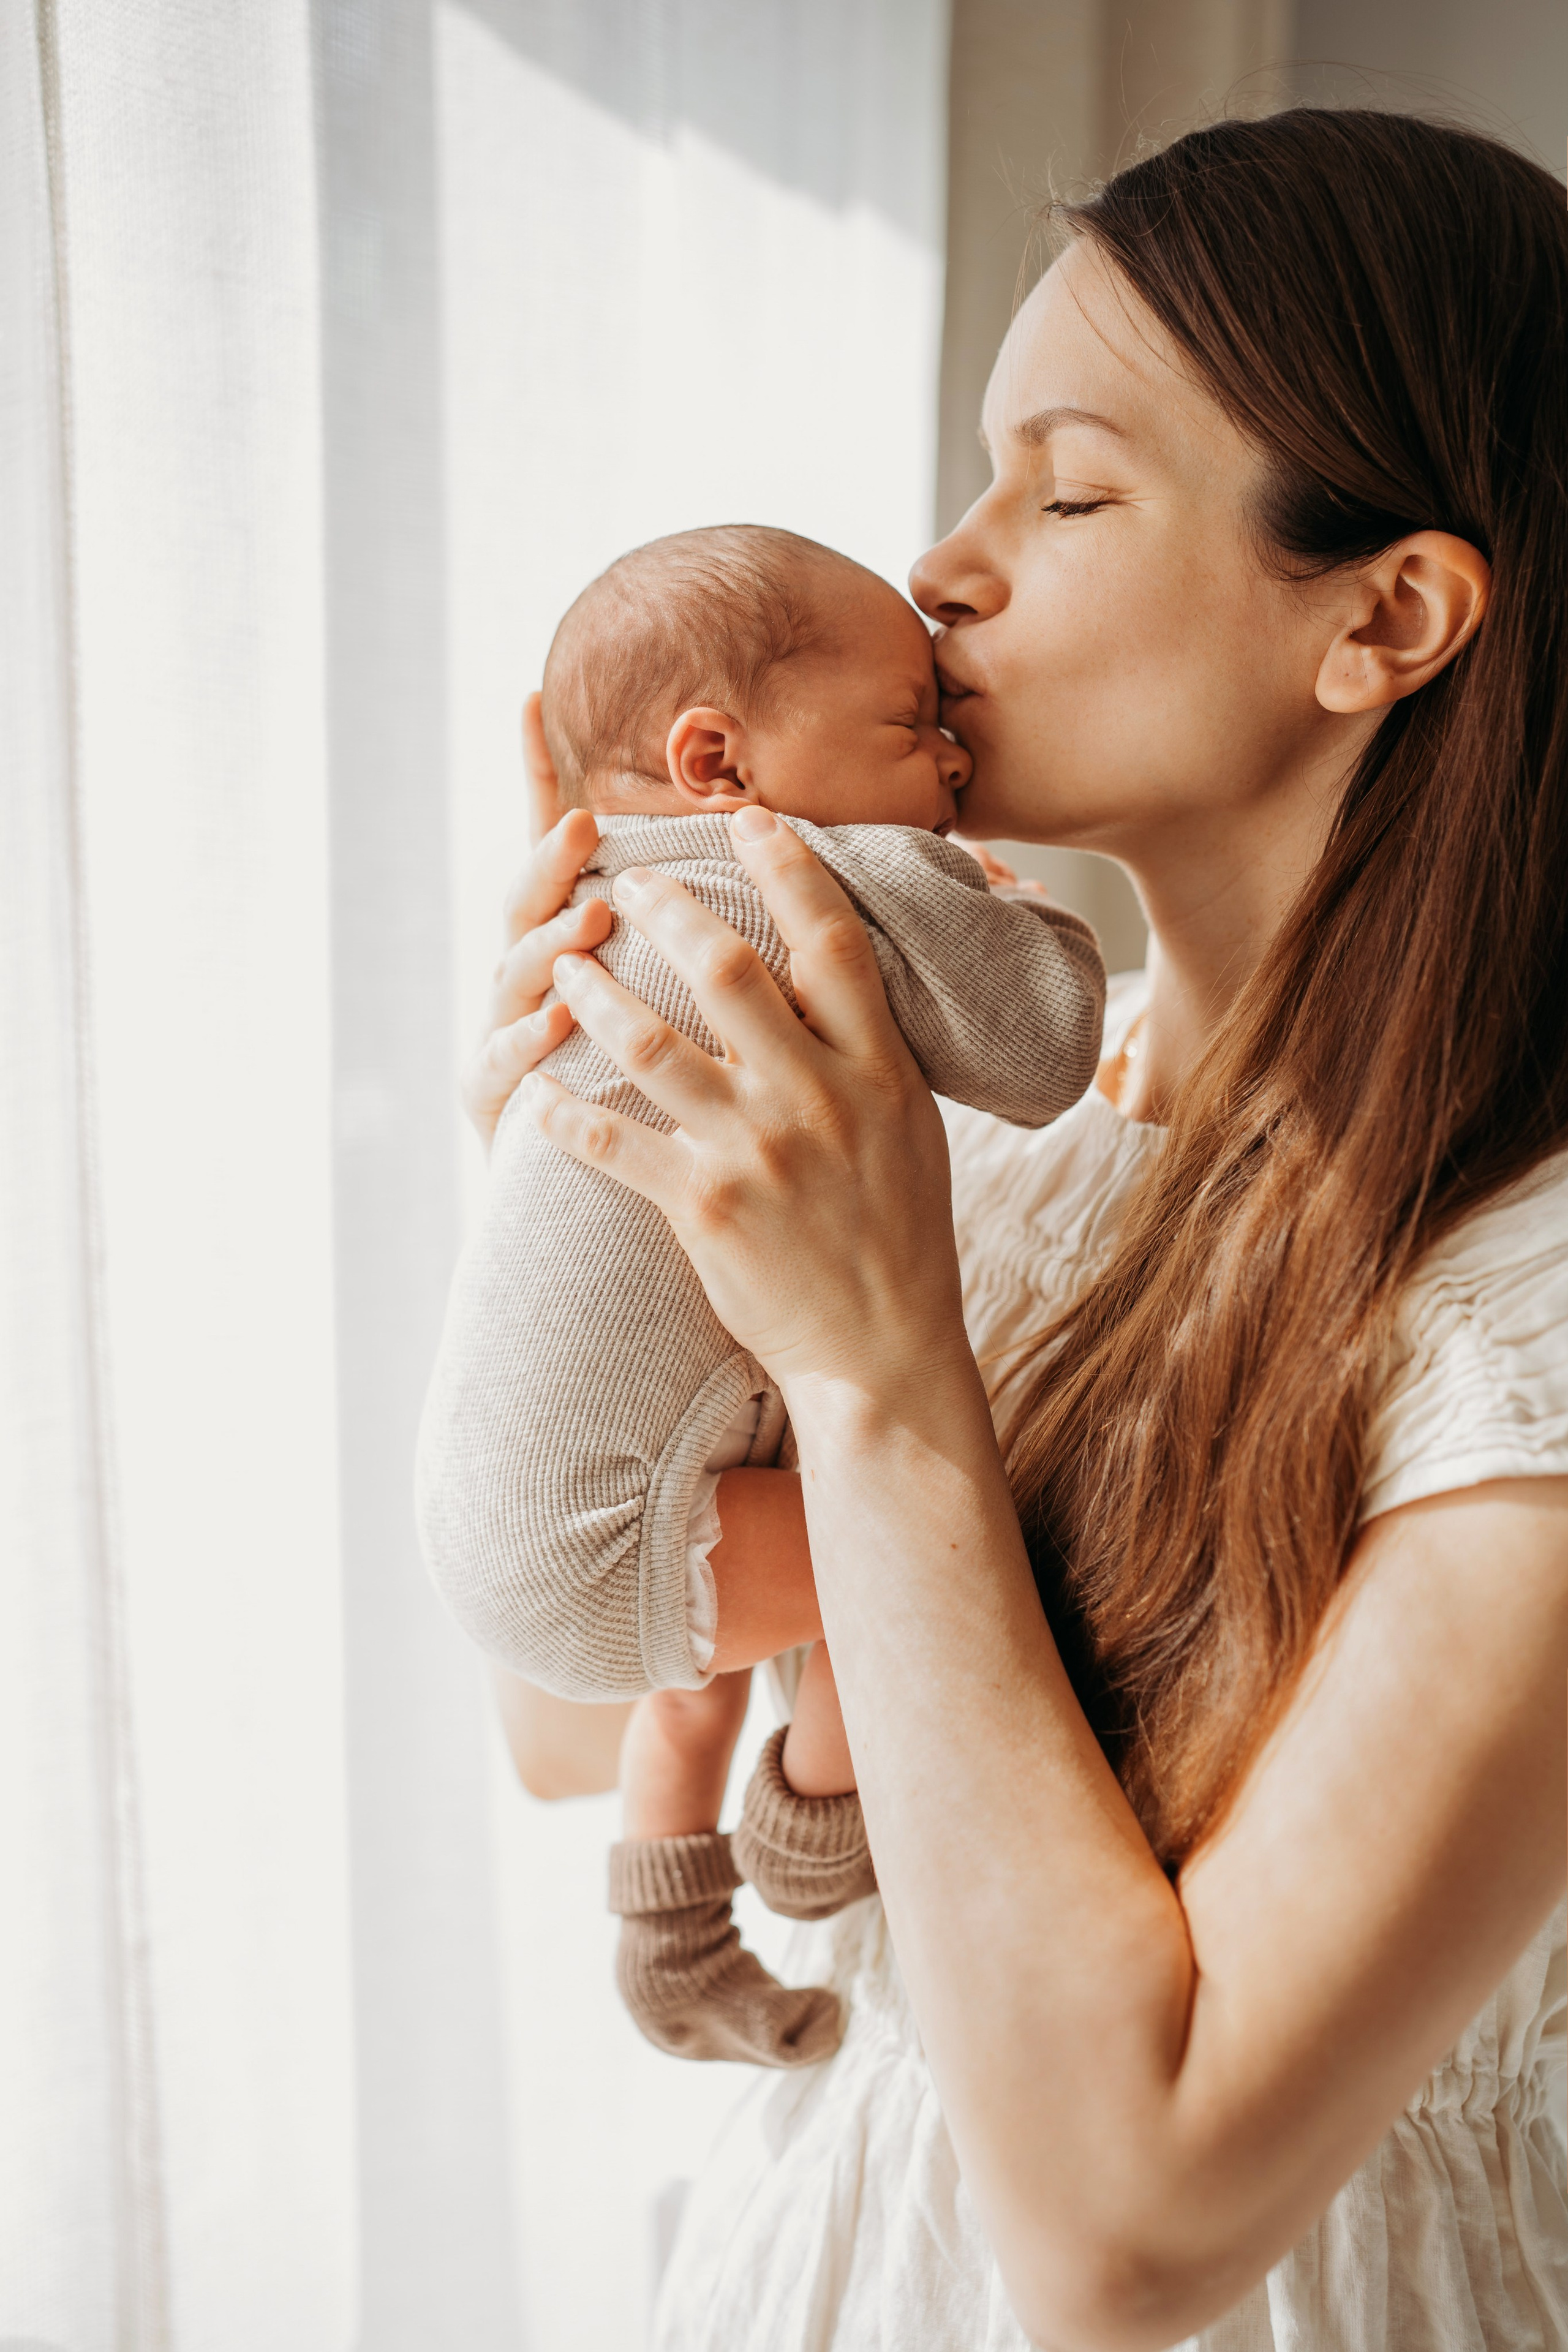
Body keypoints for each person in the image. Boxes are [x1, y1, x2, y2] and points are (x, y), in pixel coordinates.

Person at [465, 111, 1568, 2351]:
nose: (942, 570)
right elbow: (568, 1723)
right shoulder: (947, 1131)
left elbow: (1121, 2240)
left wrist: (875, 1377)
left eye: (1065, 495)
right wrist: (580, 1199)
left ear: (1386, 617)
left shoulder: (1518, 1325)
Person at [416, 522, 1104, 2068]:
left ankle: (670, 1944)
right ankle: (811, 1829)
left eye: (1069, 497)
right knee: (902, 1556)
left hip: (506, 1513)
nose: (945, 753)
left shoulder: (595, 893)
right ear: (719, 762)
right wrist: (1001, 900)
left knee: (696, 1665)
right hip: (602, 1520)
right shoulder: (826, 875)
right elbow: (1045, 1045)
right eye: (908, 723)